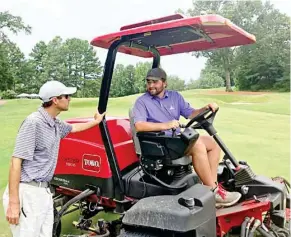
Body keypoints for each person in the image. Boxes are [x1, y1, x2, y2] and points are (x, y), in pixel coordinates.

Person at [2, 80, 106, 237]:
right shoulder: (33, 123)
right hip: (28, 192)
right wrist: (14, 203)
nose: (69, 99)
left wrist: (96, 121)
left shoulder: (54, 123)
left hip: (43, 191)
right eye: (66, 96)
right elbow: (15, 162)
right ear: (55, 100)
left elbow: (75, 128)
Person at [132, 67, 241, 207]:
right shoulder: (142, 102)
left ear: (164, 83)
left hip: (176, 140)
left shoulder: (175, 97)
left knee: (212, 143)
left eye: (155, 82)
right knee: (197, 145)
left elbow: (191, 114)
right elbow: (139, 126)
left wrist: (205, 108)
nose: (151, 85)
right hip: (160, 144)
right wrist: (166, 125)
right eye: (148, 82)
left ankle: (211, 188)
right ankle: (214, 192)